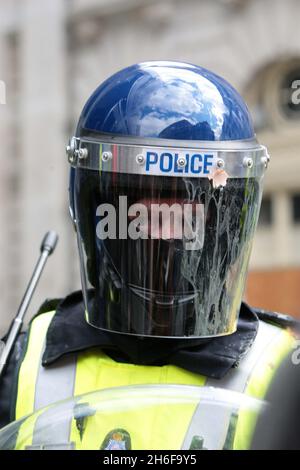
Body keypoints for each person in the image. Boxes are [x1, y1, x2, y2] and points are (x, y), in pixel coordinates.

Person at [0, 61, 296, 450]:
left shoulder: (283, 369)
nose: (167, 235)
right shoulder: (20, 361)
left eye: (190, 214)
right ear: (95, 213)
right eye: (142, 212)